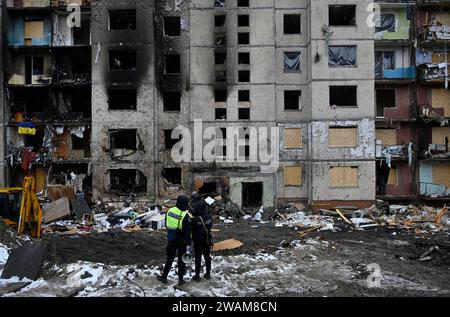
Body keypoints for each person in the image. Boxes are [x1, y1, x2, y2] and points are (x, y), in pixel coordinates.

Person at [157, 195, 191, 286]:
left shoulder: (169, 210)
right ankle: (180, 280)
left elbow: (166, 223)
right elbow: (187, 231)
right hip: (181, 240)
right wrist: (189, 242)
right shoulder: (184, 215)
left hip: (171, 238)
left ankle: (164, 277)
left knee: (170, 258)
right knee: (181, 260)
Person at [190, 194, 213, 282]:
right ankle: (208, 274)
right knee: (207, 256)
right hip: (207, 239)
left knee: (198, 257)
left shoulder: (195, 219)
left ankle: (197, 275)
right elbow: (210, 226)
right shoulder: (209, 216)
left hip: (198, 240)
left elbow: (191, 228)